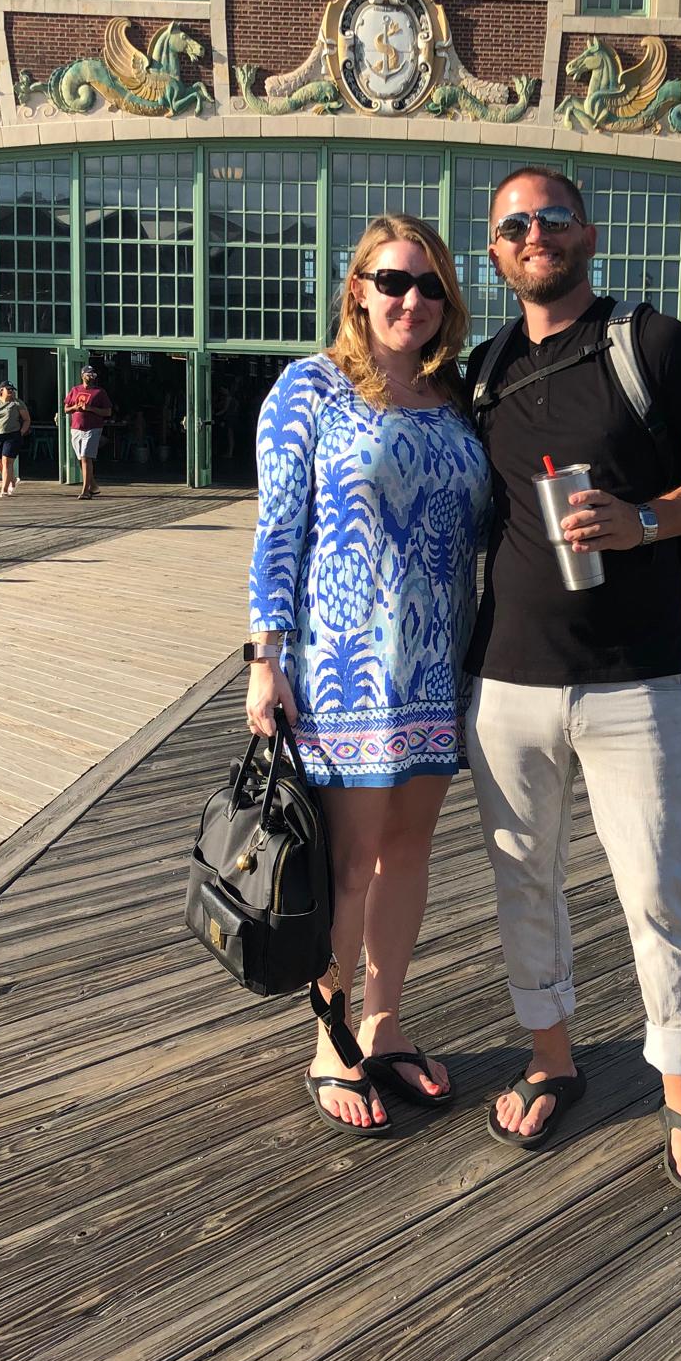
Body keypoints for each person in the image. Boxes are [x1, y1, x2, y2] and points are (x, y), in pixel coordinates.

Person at [465, 166, 681, 1193]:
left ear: (587, 233)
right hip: (505, 682)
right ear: (495, 253)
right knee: (523, 883)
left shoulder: (653, 346)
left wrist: (644, 520)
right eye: (513, 224)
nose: (533, 233)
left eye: (550, 217)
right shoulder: (485, 369)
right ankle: (554, 1063)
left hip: (637, 677)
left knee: (659, 888)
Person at [246, 214, 489, 1140]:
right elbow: (278, 532)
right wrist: (264, 658)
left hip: (436, 663)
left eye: (429, 286)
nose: (411, 301)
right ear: (357, 287)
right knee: (348, 865)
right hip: (344, 665)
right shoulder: (310, 389)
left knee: (410, 857)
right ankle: (331, 1037)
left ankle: (386, 1027)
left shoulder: (454, 397)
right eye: (393, 282)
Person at [61, 364, 113, 500]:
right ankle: (93, 486)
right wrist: (75, 407)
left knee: (85, 457)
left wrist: (91, 408)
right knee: (81, 458)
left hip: (93, 428)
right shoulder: (75, 390)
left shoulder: (99, 392)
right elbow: (66, 409)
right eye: (89, 374)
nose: (91, 376)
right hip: (76, 427)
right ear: (82, 375)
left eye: (93, 374)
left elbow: (108, 411)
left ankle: (85, 490)